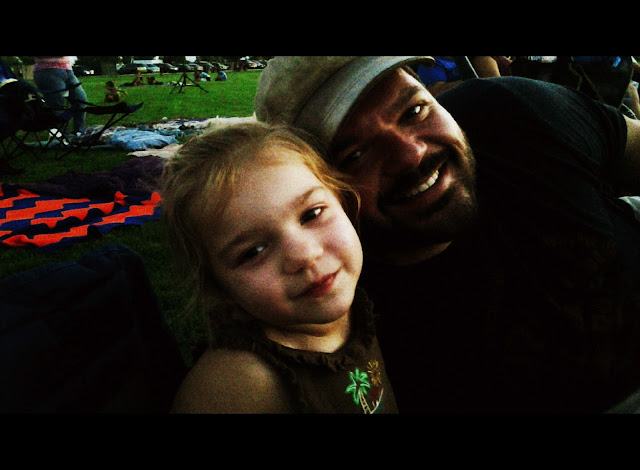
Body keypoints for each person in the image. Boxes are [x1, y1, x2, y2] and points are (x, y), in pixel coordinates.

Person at [254, 56, 640, 413]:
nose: (411, 155)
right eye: (355, 154)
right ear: (319, 189)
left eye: (413, 111)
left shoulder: (513, 114)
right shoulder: (339, 307)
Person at [161, 119, 397, 413]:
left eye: (311, 214)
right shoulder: (241, 387)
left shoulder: (360, 301)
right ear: (219, 287)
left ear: (343, 201)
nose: (305, 256)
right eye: (254, 252)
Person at [33, 56, 87, 136]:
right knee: (56, 107)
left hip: (67, 70)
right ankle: (62, 136)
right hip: (48, 70)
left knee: (80, 100)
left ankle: (79, 133)